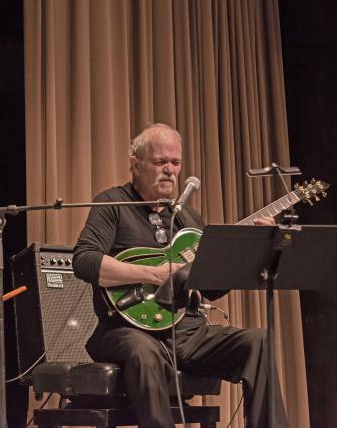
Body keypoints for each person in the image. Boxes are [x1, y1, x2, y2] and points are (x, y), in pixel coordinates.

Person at [72, 124, 289, 427]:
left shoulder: (188, 218)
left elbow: (211, 290)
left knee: (258, 341)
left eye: (176, 163)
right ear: (136, 164)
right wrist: (154, 273)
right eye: (160, 162)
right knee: (144, 353)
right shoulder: (112, 204)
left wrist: (251, 249)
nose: (170, 171)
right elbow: (84, 261)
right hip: (125, 330)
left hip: (187, 334)